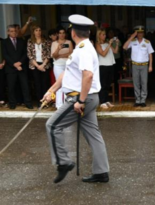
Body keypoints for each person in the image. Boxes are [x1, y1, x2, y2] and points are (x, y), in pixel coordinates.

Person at [42, 14, 110, 184]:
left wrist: (80, 100)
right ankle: (102, 172)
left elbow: (87, 76)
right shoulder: (81, 48)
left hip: (80, 98)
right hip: (87, 97)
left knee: (52, 125)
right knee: (94, 136)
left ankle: (63, 162)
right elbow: (68, 73)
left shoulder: (85, 49)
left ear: (73, 32)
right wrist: (52, 90)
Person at [2, 25, 33, 110]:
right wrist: (14, 64)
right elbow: (5, 55)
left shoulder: (22, 41)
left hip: (22, 67)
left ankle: (28, 103)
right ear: (8, 32)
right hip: (10, 68)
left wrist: (20, 62)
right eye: (11, 31)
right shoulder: (4, 42)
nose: (14, 33)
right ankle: (12, 103)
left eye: (15, 31)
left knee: (25, 86)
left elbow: (25, 54)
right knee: (11, 87)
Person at [123, 25, 154, 107]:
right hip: (135, 65)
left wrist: (150, 66)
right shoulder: (132, 41)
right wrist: (132, 36)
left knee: (144, 83)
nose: (140, 34)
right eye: (138, 33)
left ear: (143, 33)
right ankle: (137, 100)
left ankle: (143, 100)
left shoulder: (147, 42)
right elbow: (124, 47)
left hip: (144, 65)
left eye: (141, 33)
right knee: (136, 83)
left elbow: (150, 54)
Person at [27, 25, 52, 107]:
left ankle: (45, 101)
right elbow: (30, 55)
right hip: (35, 65)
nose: (38, 32)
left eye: (39, 30)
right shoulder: (30, 41)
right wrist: (38, 66)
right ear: (33, 32)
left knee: (44, 83)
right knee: (37, 84)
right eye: (36, 30)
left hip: (45, 64)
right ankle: (39, 101)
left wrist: (43, 65)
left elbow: (49, 54)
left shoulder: (46, 41)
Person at [95, 28, 118, 109]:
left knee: (108, 83)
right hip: (102, 66)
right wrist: (109, 45)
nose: (105, 36)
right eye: (103, 34)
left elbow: (115, 51)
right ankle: (102, 101)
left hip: (110, 65)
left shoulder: (107, 42)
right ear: (99, 35)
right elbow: (103, 54)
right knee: (103, 84)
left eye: (105, 34)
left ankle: (106, 100)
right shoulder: (97, 44)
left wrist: (116, 44)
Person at [51, 27, 74, 109]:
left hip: (68, 65)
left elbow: (71, 54)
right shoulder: (54, 43)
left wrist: (60, 55)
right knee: (59, 84)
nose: (62, 34)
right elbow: (54, 56)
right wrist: (58, 49)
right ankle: (59, 105)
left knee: (67, 84)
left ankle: (66, 104)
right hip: (58, 65)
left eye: (63, 33)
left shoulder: (69, 42)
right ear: (57, 34)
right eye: (60, 33)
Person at [0, 38, 5, 106]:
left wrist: (3, 63)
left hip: (1, 65)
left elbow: (5, 53)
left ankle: (1, 99)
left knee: (1, 83)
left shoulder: (2, 41)